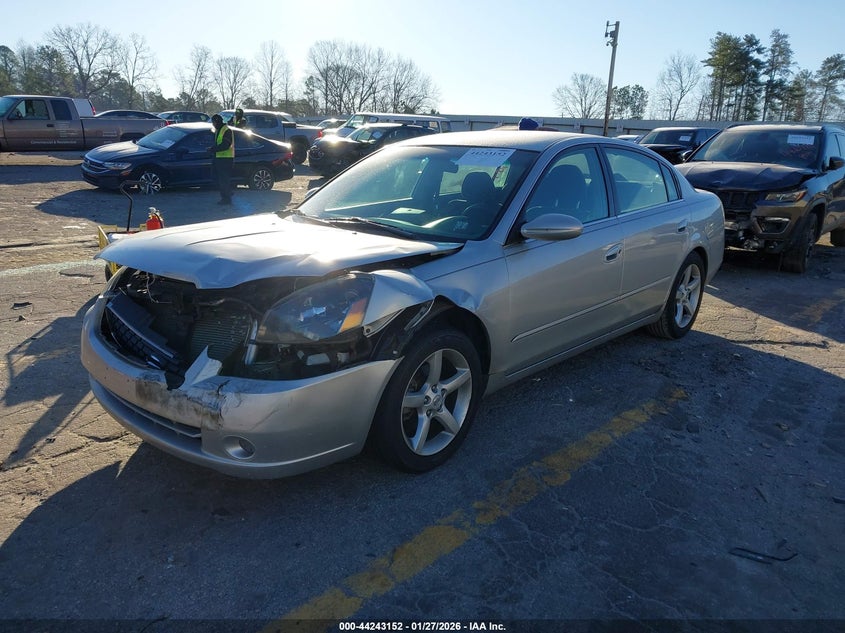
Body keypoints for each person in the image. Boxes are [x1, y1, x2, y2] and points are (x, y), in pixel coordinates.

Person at [208, 114, 234, 205]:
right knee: (216, 178)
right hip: (218, 157)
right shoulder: (218, 130)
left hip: (225, 159)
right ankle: (228, 192)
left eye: (214, 122)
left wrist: (213, 149)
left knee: (224, 180)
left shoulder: (226, 130)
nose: (213, 124)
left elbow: (226, 145)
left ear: (217, 121)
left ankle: (226, 198)